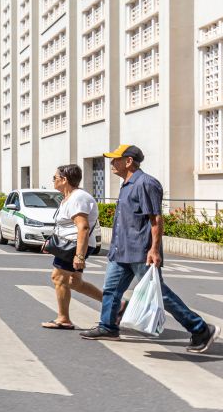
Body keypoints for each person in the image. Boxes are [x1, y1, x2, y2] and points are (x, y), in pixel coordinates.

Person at [80, 145, 218, 353]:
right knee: (111, 290)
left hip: (141, 252)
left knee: (160, 294)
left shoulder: (146, 183)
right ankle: (108, 326)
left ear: (128, 161)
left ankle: (201, 329)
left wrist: (154, 249)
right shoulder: (127, 184)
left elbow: (156, 219)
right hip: (121, 251)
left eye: (115, 159)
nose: (111, 164)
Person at [41, 164, 103, 330]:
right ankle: (115, 306)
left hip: (74, 246)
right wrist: (51, 242)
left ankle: (63, 319)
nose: (53, 181)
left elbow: (82, 227)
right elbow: (65, 226)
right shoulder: (69, 197)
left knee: (58, 278)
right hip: (69, 245)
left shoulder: (78, 198)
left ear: (64, 179)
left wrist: (79, 255)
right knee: (74, 282)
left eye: (55, 178)